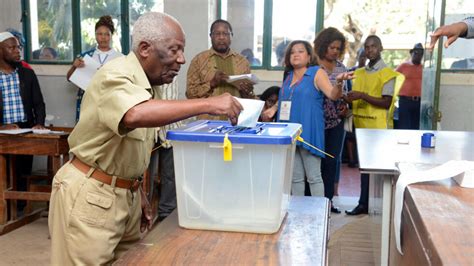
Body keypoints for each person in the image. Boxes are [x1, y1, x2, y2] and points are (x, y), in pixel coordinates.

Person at [48, 12, 243, 265]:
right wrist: (209, 103)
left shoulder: (150, 84)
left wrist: (135, 189)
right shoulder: (114, 74)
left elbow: (127, 145)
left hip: (123, 193)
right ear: (144, 49)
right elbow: (134, 114)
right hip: (91, 194)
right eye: (175, 50)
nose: (181, 59)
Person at [277, 40, 353, 197]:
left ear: (309, 56)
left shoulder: (316, 72)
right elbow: (286, 100)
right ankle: (297, 215)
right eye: (292, 52)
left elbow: (333, 95)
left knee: (314, 177)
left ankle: (318, 216)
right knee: (295, 178)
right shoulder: (289, 76)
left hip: (309, 131)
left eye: (300, 51)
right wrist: (270, 109)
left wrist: (338, 83)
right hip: (289, 133)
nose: (295, 54)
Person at [344, 35, 404, 216]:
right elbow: (352, 96)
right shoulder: (359, 73)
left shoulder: (387, 74)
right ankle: (363, 203)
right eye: (367, 47)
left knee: (381, 169)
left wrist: (361, 95)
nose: (370, 50)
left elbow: (386, 103)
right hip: (361, 125)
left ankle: (386, 206)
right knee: (364, 168)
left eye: (373, 47)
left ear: (381, 48)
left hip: (379, 129)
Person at [0, 32, 46, 211]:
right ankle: (6, 206)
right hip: (3, 131)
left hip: (26, 129)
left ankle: (19, 206)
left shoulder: (27, 74)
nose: (17, 51)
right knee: (5, 170)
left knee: (23, 170)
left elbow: (38, 103)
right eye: (11, 47)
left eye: (18, 47)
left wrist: (39, 123)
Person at [186, 19, 255, 120]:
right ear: (211, 36)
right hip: (207, 123)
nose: (221, 37)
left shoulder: (242, 62)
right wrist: (211, 84)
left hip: (236, 121)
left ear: (231, 36)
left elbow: (249, 98)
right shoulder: (198, 60)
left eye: (225, 34)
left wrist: (246, 92)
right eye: (217, 34)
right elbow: (190, 95)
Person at [313, 27, 350, 213]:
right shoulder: (313, 66)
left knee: (331, 161)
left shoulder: (342, 68)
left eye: (338, 48)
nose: (335, 51)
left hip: (336, 123)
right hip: (315, 122)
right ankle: (312, 202)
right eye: (332, 47)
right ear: (322, 46)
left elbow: (346, 95)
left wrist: (346, 106)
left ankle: (327, 202)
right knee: (314, 161)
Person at [66, 15, 123, 122]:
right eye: (100, 34)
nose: (103, 37)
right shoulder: (86, 56)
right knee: (88, 132)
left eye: (107, 34)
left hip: (110, 101)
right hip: (89, 102)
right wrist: (74, 66)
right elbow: (69, 78)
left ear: (111, 36)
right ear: (95, 35)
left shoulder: (120, 58)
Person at [155, 78, 183, 222]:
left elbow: (171, 99)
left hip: (170, 127)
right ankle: (142, 211)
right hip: (147, 127)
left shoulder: (172, 71)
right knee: (142, 174)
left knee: (170, 174)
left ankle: (166, 213)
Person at [395, 43, 424, 130]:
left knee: (416, 127)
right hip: (405, 101)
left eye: (420, 53)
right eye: (416, 53)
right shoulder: (404, 66)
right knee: (404, 127)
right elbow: (393, 77)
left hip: (419, 102)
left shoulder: (424, 68)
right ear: (412, 53)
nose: (418, 55)